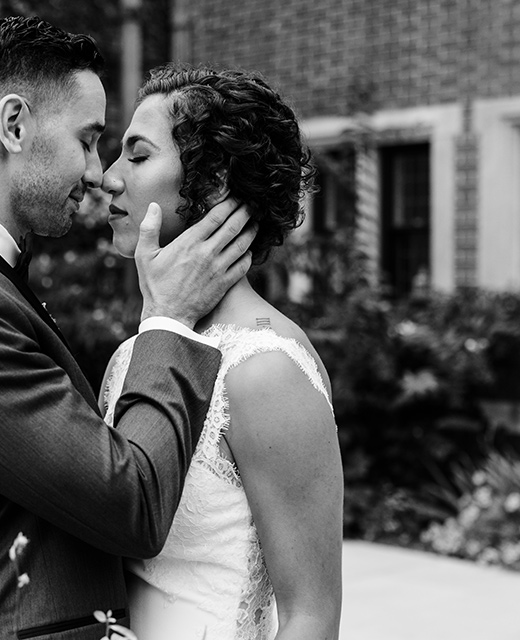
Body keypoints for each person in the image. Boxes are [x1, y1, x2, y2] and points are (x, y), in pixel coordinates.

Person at [0, 18, 257, 640]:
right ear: (14, 125)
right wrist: (168, 321)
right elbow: (130, 505)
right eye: (88, 139)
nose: (99, 172)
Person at [99, 65, 344, 640]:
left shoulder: (265, 371)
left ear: (213, 185)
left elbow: (312, 617)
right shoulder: (130, 357)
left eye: (136, 157)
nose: (109, 179)